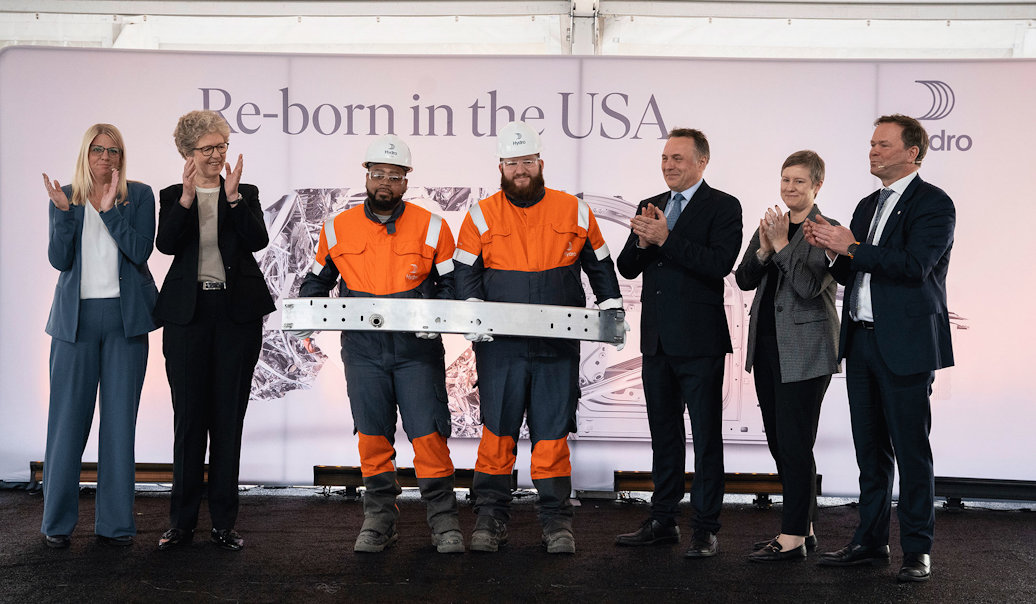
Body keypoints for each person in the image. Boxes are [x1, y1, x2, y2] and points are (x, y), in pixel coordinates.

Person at [453, 121, 622, 554]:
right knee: (497, 433)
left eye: (527, 161)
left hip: (556, 346)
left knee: (551, 435)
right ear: (501, 167)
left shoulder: (574, 211)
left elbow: (600, 264)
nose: (520, 170)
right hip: (500, 347)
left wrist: (611, 307)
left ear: (540, 163)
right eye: (512, 163)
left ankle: (556, 522)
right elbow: (464, 272)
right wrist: (471, 308)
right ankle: (490, 518)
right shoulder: (480, 214)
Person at [297, 135, 464, 554]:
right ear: (366, 177)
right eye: (378, 174)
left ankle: (444, 520)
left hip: (416, 352)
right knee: (372, 435)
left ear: (406, 181)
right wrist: (302, 316)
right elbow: (318, 281)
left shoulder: (433, 226)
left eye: (394, 175)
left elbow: (451, 285)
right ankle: (379, 518)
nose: (385, 182)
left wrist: (435, 318)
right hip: (363, 351)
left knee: (428, 435)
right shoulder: (337, 227)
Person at [806, 114, 954, 582]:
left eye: (883, 145)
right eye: (871, 143)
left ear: (912, 152)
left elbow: (915, 266)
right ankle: (870, 541)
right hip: (863, 342)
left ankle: (917, 550)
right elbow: (853, 273)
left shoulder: (935, 204)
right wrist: (832, 249)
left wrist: (851, 248)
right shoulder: (868, 204)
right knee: (869, 452)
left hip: (906, 345)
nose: (872, 151)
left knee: (912, 452)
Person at [614, 128, 742, 558]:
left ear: (702, 162)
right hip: (657, 343)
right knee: (663, 435)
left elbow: (719, 265)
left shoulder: (724, 206)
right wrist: (641, 239)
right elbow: (628, 268)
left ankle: (705, 527)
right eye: (665, 158)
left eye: (678, 159)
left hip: (701, 344)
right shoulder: (651, 205)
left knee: (706, 438)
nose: (669, 165)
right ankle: (662, 520)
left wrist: (667, 239)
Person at [153, 110, 275, 552]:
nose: (217, 155)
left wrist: (234, 197)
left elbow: (258, 240)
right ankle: (181, 523)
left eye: (222, 146)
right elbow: (166, 244)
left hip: (236, 316)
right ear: (188, 153)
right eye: (208, 148)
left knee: (228, 420)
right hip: (187, 317)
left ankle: (224, 522)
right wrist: (188, 199)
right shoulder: (171, 195)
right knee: (189, 421)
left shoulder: (245, 192)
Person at [41, 123, 158, 549]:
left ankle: (115, 525)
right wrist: (63, 216)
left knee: (119, 425)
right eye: (98, 150)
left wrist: (110, 211)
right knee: (66, 423)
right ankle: (56, 523)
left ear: (122, 157)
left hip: (126, 320)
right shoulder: (65, 195)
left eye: (113, 151)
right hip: (75, 322)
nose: (105, 158)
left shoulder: (139, 195)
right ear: (86, 154)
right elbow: (59, 259)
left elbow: (141, 252)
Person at [734, 150, 840, 562]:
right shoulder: (772, 223)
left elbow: (808, 287)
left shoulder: (825, 230)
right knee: (781, 442)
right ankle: (805, 526)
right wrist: (763, 249)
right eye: (785, 180)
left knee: (795, 441)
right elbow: (744, 278)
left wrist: (780, 246)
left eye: (799, 181)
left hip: (807, 350)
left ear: (817, 186)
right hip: (768, 346)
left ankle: (793, 535)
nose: (790, 188)